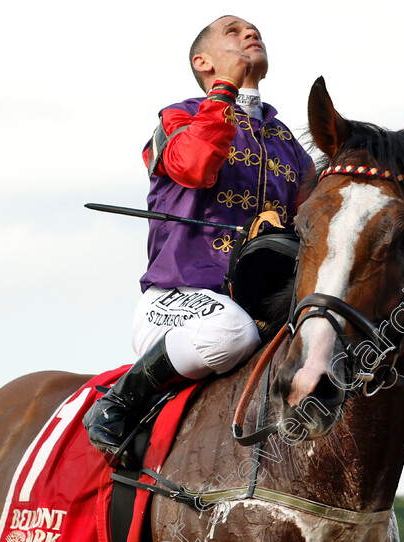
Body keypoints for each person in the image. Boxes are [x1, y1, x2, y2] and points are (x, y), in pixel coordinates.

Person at [83, 15, 313, 463]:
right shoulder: (178, 116)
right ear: (202, 61)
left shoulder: (288, 143)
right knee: (230, 331)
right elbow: (195, 166)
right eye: (233, 31)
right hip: (178, 302)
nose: (251, 34)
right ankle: (118, 403)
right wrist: (226, 90)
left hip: (261, 309)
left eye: (255, 31)